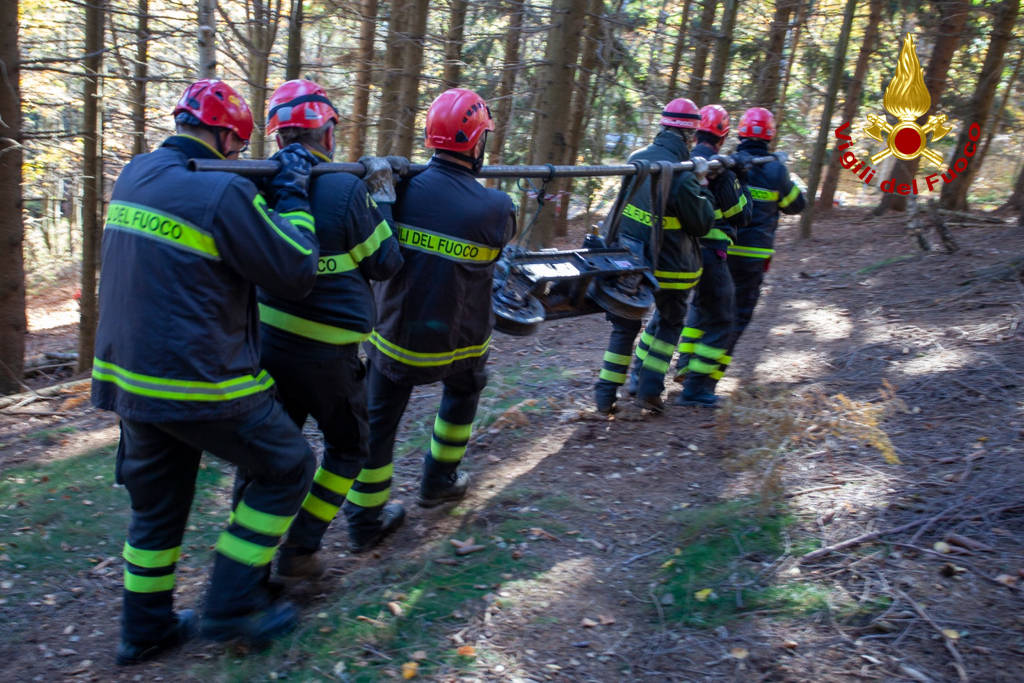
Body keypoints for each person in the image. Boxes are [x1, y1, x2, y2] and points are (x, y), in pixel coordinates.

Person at [91, 79, 321, 664]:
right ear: (223, 136)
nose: (239, 159)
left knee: (158, 506)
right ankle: (232, 602)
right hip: (196, 381)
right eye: (237, 148)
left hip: (128, 381)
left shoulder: (134, 174)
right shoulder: (222, 193)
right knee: (288, 465)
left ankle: (143, 631)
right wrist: (291, 193)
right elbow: (295, 269)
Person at [249, 81, 405, 579]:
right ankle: (301, 549)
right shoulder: (345, 188)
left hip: (269, 345)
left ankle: (247, 565)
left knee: (270, 454)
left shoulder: (258, 182)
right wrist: (383, 197)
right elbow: (386, 263)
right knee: (348, 447)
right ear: (328, 133)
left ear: (279, 138)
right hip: (329, 355)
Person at [363, 87, 516, 511]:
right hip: (460, 344)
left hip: (394, 339)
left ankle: (364, 519)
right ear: (476, 141)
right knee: (464, 392)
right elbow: (504, 242)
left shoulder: (397, 192)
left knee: (378, 424)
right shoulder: (496, 207)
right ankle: (438, 481)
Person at [593, 98, 715, 415]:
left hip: (631, 264)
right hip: (673, 269)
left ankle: (605, 396)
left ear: (662, 127)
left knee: (625, 327)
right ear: (690, 136)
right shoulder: (682, 175)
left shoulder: (637, 159)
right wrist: (702, 183)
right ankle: (649, 389)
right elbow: (702, 223)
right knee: (669, 325)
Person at [719, 107, 806, 388]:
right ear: (770, 134)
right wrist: (786, 175)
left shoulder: (728, 163)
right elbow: (796, 205)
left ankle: (688, 365)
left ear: (741, 131)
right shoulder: (776, 170)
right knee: (739, 313)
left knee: (708, 307)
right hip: (754, 256)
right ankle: (709, 376)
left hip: (722, 250)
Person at [672, 104, 752, 406]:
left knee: (694, 313)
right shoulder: (720, 169)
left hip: (681, 254)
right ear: (723, 136)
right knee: (722, 319)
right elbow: (741, 215)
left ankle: (677, 368)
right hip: (712, 254)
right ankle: (697, 389)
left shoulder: (682, 162)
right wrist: (739, 177)